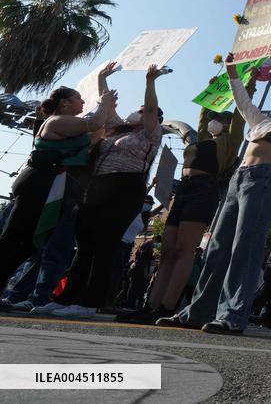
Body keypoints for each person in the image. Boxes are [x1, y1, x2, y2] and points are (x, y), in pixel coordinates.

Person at [157, 43, 271, 334]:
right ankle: (198, 311)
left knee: (244, 248)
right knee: (217, 246)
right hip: (238, 179)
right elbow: (243, 104)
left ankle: (233, 315)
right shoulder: (261, 122)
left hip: (261, 180)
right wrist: (232, 72)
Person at [49, 64, 169, 319]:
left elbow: (149, 109)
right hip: (98, 186)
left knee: (105, 244)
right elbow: (108, 105)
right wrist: (103, 77)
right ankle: (67, 298)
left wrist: (150, 81)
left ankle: (90, 302)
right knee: (85, 244)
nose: (137, 113)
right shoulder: (118, 129)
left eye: (143, 112)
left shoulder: (151, 134)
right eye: (136, 111)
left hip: (125, 188)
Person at [120, 99, 248, 324]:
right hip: (184, 189)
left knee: (183, 249)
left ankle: (167, 306)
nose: (214, 122)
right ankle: (150, 306)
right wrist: (212, 93)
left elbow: (240, 115)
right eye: (215, 119)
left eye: (220, 120)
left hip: (204, 189)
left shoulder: (231, 140)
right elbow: (203, 118)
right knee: (168, 250)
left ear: (227, 124)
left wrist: (249, 85)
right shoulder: (202, 139)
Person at [0, 74, 116, 295]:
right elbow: (95, 123)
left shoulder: (72, 126)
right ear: (65, 103)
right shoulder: (56, 121)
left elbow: (98, 134)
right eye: (79, 99)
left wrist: (108, 101)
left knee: (27, 243)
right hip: (39, 181)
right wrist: (103, 102)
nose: (83, 102)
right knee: (15, 237)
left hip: (51, 184)